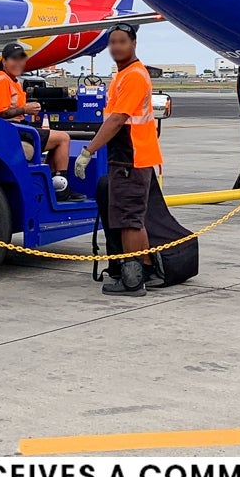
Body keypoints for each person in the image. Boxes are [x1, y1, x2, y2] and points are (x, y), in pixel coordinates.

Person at [74, 24, 162, 295]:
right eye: (112, 42)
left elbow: (116, 120)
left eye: (121, 41)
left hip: (130, 157)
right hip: (130, 157)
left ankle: (132, 281)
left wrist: (88, 151)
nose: (115, 47)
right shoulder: (124, 74)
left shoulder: (133, 75)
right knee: (133, 219)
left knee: (128, 220)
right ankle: (146, 270)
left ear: (133, 43)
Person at [0, 42, 84, 202]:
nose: (18, 63)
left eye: (21, 59)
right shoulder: (2, 81)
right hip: (12, 130)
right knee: (63, 138)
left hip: (17, 127)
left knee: (54, 139)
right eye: (14, 59)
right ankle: (62, 189)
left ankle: (51, 184)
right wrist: (25, 109)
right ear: (4, 61)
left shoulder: (12, 80)